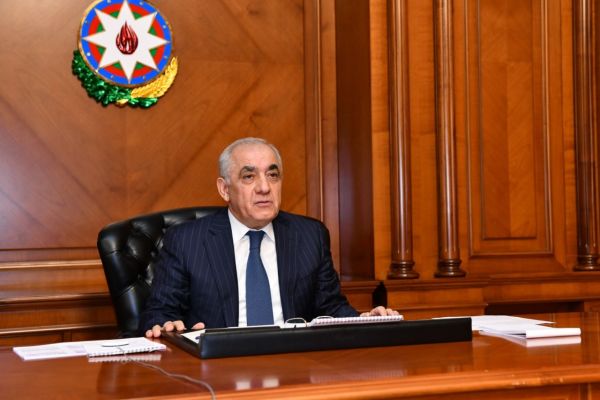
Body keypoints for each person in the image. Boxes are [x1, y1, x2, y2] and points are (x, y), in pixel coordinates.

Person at [141, 137, 398, 338]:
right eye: (249, 176)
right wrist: (168, 326)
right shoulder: (186, 241)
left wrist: (364, 320)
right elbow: (159, 313)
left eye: (272, 175)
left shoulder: (310, 236)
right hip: (217, 369)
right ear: (224, 189)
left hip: (294, 364)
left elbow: (329, 308)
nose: (264, 187)